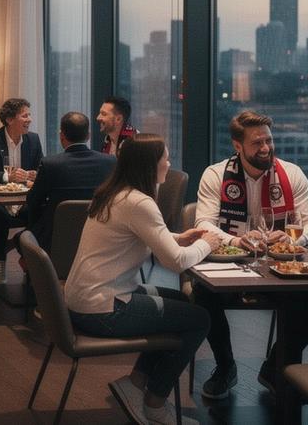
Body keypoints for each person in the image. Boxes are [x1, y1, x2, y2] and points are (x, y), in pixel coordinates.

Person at [65, 135, 218, 425]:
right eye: (165, 158)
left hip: (85, 299)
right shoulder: (139, 203)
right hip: (104, 309)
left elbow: (135, 235)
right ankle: (155, 403)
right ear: (150, 165)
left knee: (181, 301)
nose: (169, 164)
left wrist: (178, 237)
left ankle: (135, 383)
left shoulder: (115, 193)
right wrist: (208, 243)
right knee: (199, 319)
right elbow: (175, 262)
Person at [193, 110, 308, 399]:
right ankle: (226, 367)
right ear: (238, 146)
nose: (266, 148)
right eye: (257, 143)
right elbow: (202, 223)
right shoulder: (215, 175)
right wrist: (238, 241)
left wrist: (294, 239)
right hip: (231, 266)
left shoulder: (291, 174)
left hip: (278, 269)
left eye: (269, 140)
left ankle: (275, 368)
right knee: (201, 294)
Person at [0, 97, 44, 283]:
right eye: (24, 115)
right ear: (10, 119)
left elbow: (41, 169)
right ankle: (0, 257)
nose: (29, 119)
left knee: (40, 212)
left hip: (21, 200)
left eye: (29, 115)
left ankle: (27, 258)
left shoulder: (33, 140)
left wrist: (35, 175)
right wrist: (7, 177)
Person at [23, 112, 116, 251]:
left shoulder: (50, 164)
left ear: (62, 135)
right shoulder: (110, 161)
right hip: (99, 236)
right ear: (88, 135)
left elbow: (33, 201)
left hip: (56, 238)